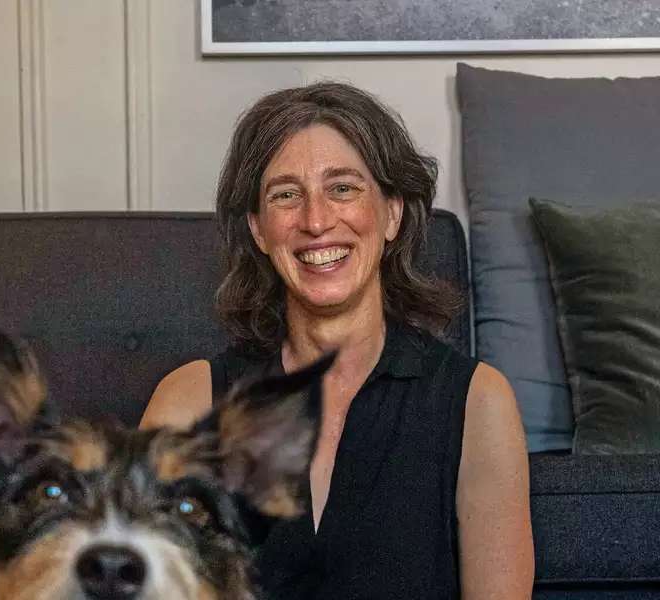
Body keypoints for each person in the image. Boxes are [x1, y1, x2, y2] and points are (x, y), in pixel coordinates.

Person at [140, 82, 534, 599]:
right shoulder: (189, 402)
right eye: (286, 195)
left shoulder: (478, 403)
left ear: (392, 213)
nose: (316, 221)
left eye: (343, 188)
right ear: (258, 230)